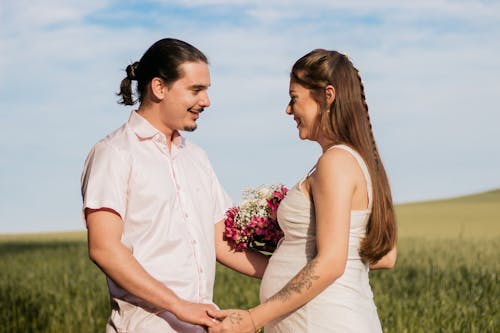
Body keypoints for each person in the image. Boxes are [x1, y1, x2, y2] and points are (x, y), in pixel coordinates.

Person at [81, 38, 268, 333]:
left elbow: (220, 242)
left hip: (202, 325)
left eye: (206, 90)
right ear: (159, 88)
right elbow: (104, 248)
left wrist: (289, 272)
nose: (206, 101)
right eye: (196, 90)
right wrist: (179, 306)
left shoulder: (197, 157)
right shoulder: (114, 153)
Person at [208, 49, 397, 332]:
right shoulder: (354, 161)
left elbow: (332, 262)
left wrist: (253, 319)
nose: (288, 109)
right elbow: (383, 255)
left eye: (294, 98)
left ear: (327, 96)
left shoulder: (335, 163)